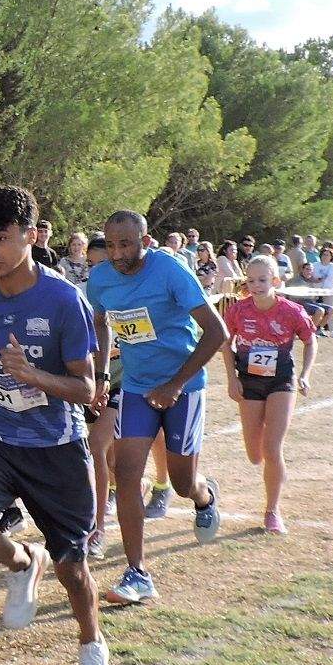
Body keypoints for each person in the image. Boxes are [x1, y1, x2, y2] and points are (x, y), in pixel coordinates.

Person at [0, 187, 108, 665]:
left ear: (31, 237)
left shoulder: (62, 300)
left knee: (72, 568)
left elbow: (87, 389)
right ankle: (20, 561)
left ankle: (91, 643)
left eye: (2, 238)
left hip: (56, 444)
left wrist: (34, 375)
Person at [84, 209, 228, 608]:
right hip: (135, 386)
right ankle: (137, 572)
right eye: (110, 245)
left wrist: (175, 384)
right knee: (126, 473)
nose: (116, 253)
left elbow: (217, 332)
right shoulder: (100, 279)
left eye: (125, 244)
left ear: (145, 242)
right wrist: (101, 375)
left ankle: (204, 496)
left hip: (184, 385)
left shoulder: (170, 271)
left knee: (183, 483)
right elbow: (100, 321)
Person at [221, 256, 317, 534]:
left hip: (281, 381)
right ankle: (265, 457)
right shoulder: (238, 311)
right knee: (255, 454)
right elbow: (226, 343)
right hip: (249, 381)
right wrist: (232, 378)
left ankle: (272, 511)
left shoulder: (292, 311)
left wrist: (305, 374)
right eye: (251, 280)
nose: (256, 285)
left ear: (275, 281)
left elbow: (311, 341)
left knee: (272, 448)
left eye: (262, 280)